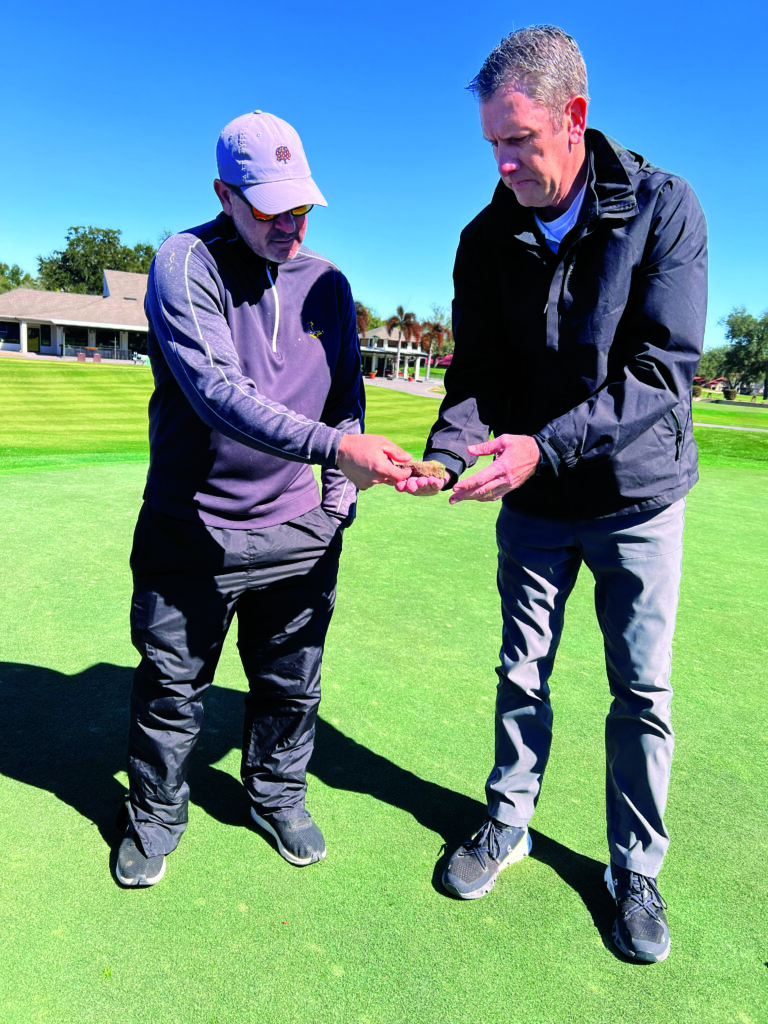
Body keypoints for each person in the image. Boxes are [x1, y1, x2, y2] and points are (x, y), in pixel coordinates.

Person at [398, 26, 706, 962]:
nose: (503, 161)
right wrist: (448, 455)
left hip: (637, 497)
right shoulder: (484, 235)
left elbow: (663, 372)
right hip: (534, 503)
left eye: (519, 140)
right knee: (519, 671)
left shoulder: (665, 206)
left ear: (574, 119)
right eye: (492, 143)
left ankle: (633, 869)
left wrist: (542, 449)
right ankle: (510, 821)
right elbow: (476, 373)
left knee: (641, 691)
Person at [116, 110, 412, 887]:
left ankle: (274, 795)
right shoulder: (186, 263)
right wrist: (335, 451)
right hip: (192, 527)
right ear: (225, 193)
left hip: (298, 530)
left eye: (302, 207)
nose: (292, 225)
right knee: (173, 689)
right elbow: (218, 392)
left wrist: (336, 504)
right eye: (272, 208)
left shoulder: (330, 283)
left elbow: (346, 399)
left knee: (291, 682)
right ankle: (155, 816)